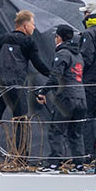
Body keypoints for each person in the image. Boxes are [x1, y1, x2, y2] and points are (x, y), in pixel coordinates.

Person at [0, 10, 51, 163]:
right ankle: (21, 158)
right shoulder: (29, 42)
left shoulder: (2, 39)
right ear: (25, 25)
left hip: (0, 85)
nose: (34, 28)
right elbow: (38, 64)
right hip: (17, 86)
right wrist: (54, 76)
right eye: (33, 24)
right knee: (21, 121)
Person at [37, 25, 89, 172]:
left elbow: (55, 77)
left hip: (66, 97)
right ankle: (79, 165)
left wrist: (42, 92)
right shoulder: (78, 55)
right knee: (76, 133)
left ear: (59, 38)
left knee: (56, 130)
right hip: (81, 97)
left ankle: (54, 164)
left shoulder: (63, 53)